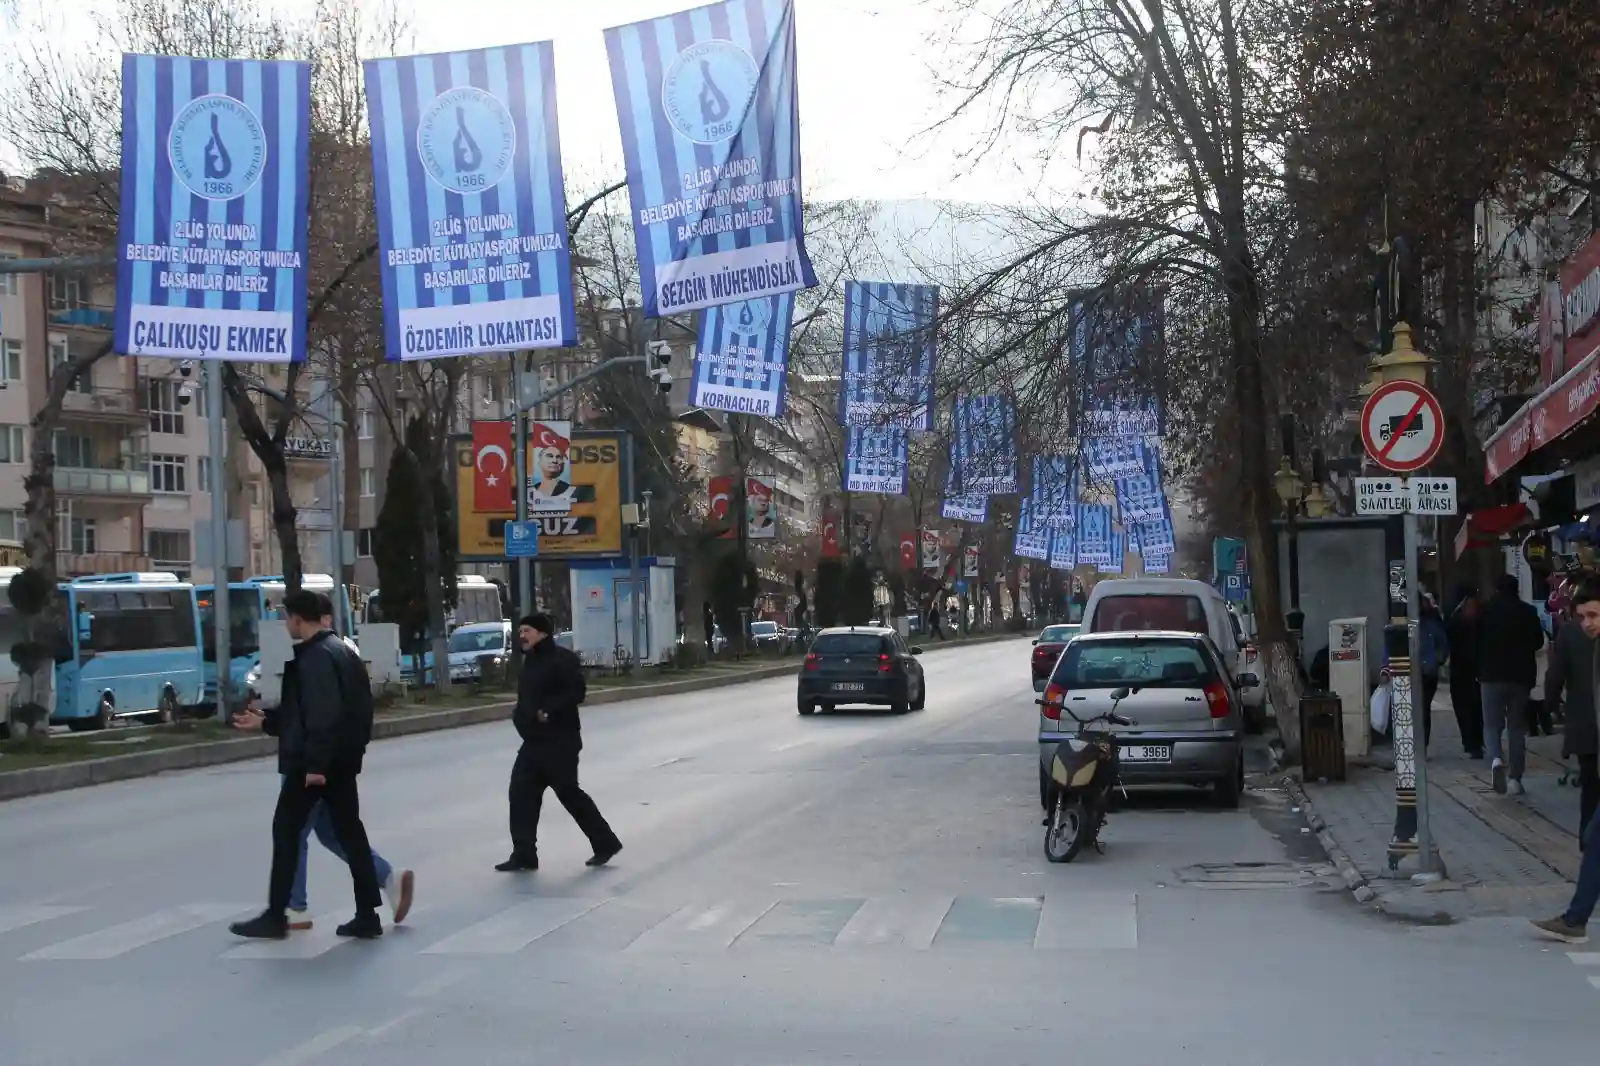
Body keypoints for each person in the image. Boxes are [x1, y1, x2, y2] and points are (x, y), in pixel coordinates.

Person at [231, 594, 414, 929]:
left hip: (313, 765)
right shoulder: (344, 652)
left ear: (299, 618)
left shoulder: (315, 658)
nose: (287, 624)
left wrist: (315, 766)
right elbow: (343, 712)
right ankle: (366, 915)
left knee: (286, 830)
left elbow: (321, 716)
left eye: (289, 618)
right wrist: (268, 723)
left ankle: (278, 915)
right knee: (348, 835)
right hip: (341, 761)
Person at [496, 612, 622, 872]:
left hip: (560, 742)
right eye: (520, 631)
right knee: (521, 793)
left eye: (527, 630)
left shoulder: (563, 659)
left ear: (542, 632)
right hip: (533, 742)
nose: (522, 635)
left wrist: (548, 711)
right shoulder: (529, 662)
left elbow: (577, 692)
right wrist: (520, 718)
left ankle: (605, 843)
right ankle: (524, 854)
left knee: (569, 793)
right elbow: (525, 699)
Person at [1477, 574, 1546, 796]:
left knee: (1491, 725)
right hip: (1520, 677)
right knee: (1516, 728)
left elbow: (1475, 641)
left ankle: (1496, 758)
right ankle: (1515, 779)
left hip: (1491, 676)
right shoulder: (1528, 611)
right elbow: (1538, 642)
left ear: (1496, 589)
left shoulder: (1486, 611)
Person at [1544, 580, 1600, 850]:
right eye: (1582, 617)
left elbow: (1555, 675)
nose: (1587, 623)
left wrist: (1552, 704)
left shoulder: (1567, 634)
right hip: (1587, 724)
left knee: (1590, 787)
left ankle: (1588, 843)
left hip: (1584, 724)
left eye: (1592, 616)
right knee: (1590, 785)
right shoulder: (1572, 633)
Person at [1446, 583, 1485, 759]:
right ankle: (1477, 740)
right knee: (1476, 707)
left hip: (1461, 669)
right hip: (1476, 668)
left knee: (1465, 707)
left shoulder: (1454, 616)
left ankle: (1471, 742)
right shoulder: (1480, 616)